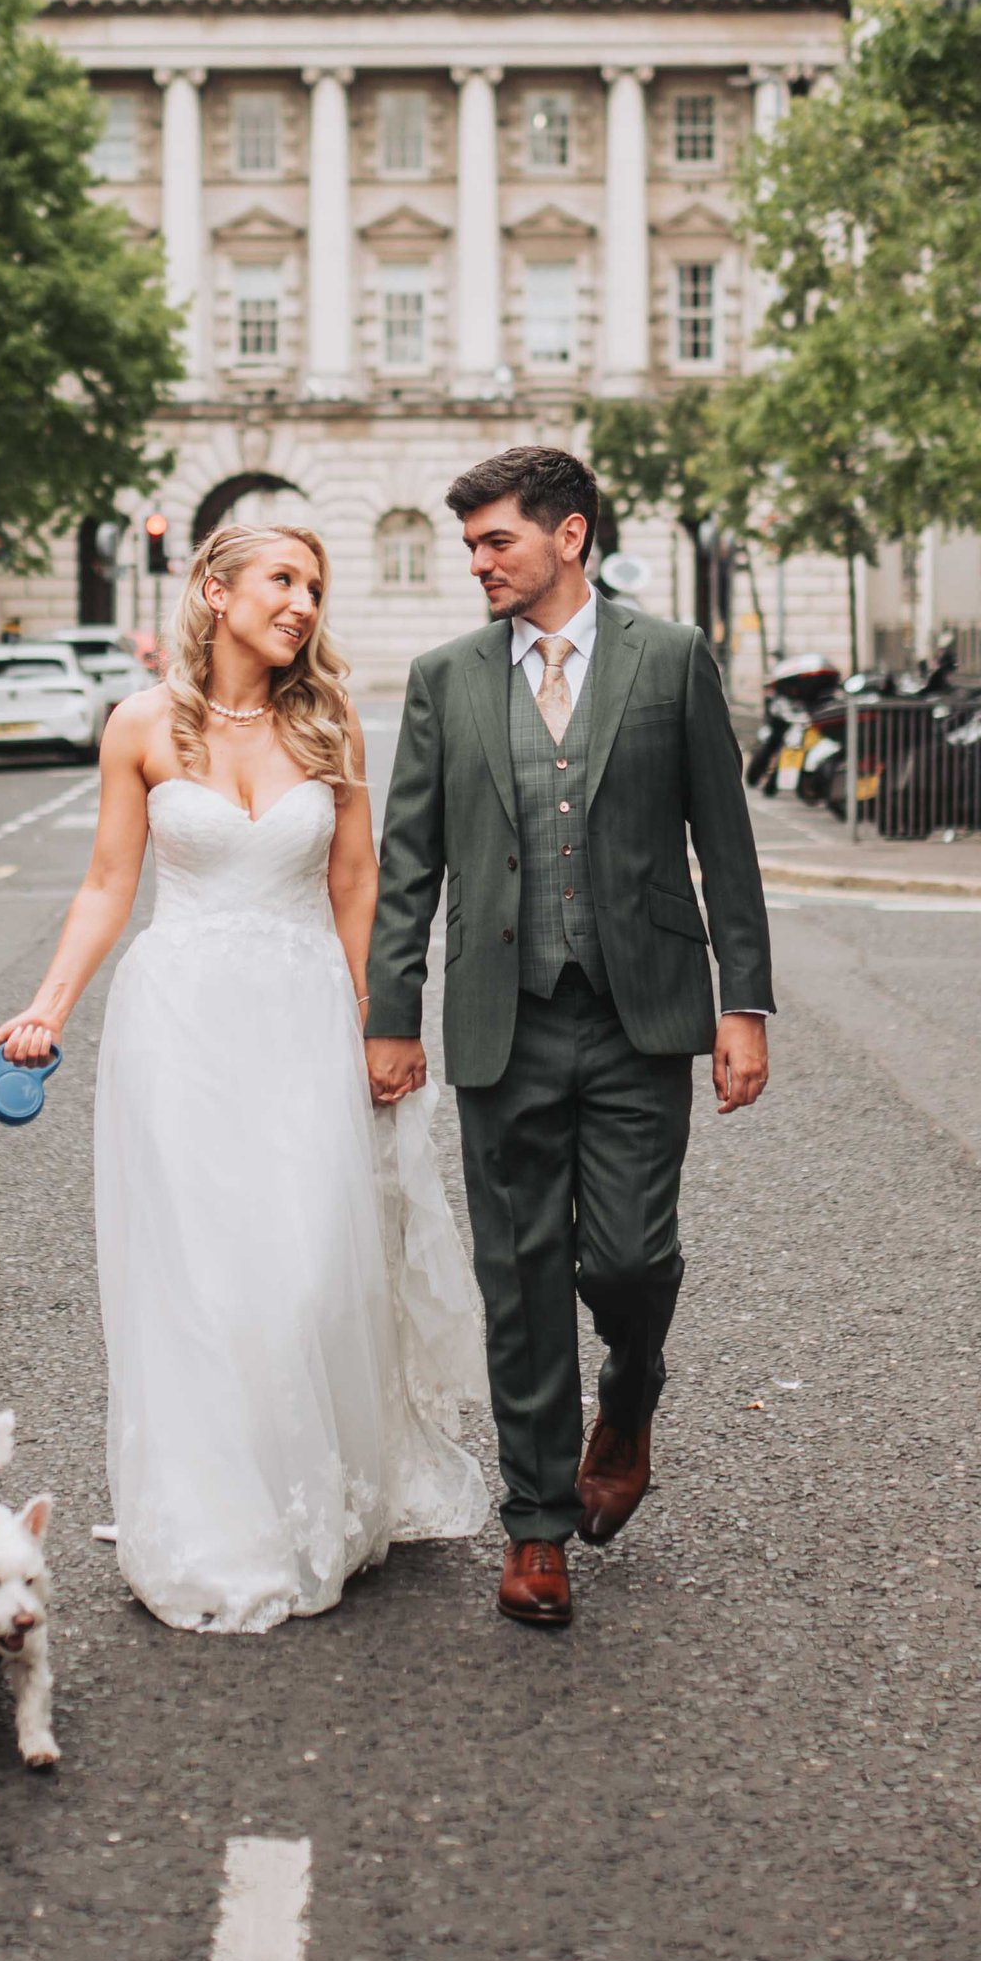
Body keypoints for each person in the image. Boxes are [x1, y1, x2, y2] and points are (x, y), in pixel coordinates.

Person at [0, 522, 485, 1634]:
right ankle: (218, 1518)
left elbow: (359, 883)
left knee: (308, 1264)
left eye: (314, 584)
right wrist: (46, 1007)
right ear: (215, 592)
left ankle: (316, 1485)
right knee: (204, 1278)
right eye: (282, 580)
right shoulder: (140, 725)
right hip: (179, 1027)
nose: (304, 602)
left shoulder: (329, 722)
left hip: (306, 1017)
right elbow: (108, 885)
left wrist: (381, 1023)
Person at [364, 445, 774, 1631]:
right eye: (472, 545)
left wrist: (740, 1005)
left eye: (497, 541)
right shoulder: (446, 679)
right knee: (522, 1275)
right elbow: (408, 870)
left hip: (640, 1008)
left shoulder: (669, 659)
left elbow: (725, 843)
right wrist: (392, 1017)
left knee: (630, 1260)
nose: (479, 564)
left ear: (570, 536)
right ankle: (537, 1524)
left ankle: (631, 1388)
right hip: (504, 1017)